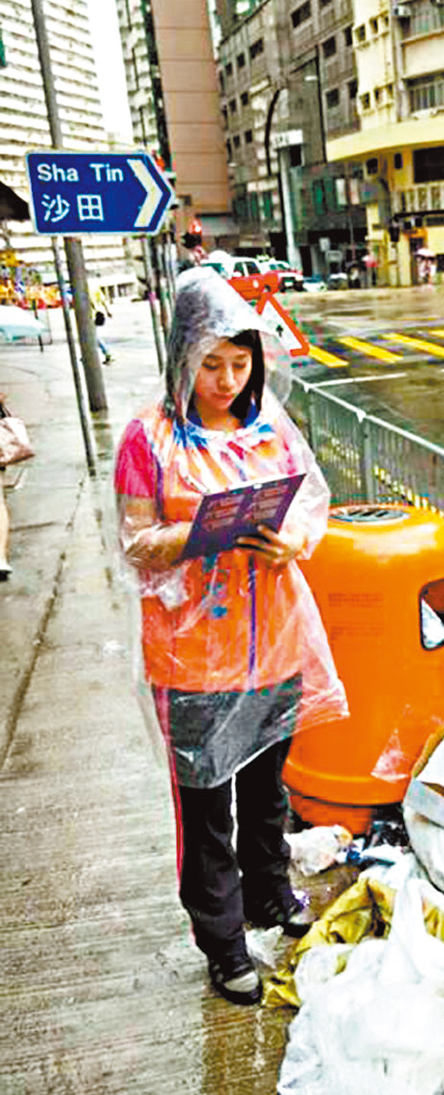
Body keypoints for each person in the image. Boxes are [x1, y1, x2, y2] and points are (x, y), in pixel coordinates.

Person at [113, 268, 347, 1006]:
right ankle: (222, 939)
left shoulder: (268, 423)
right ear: (182, 354)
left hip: (272, 642)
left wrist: (292, 541)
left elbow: (311, 500)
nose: (226, 378)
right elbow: (135, 541)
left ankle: (271, 894)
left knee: (266, 787)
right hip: (192, 657)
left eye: (239, 363)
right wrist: (200, 533)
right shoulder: (147, 438)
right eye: (210, 362)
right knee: (207, 809)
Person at [90, 283, 114, 364]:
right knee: (91, 336)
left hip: (91, 316)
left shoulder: (84, 289)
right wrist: (108, 311)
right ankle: (86, 355)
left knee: (94, 337)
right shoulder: (95, 287)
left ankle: (107, 353)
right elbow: (103, 301)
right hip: (98, 314)